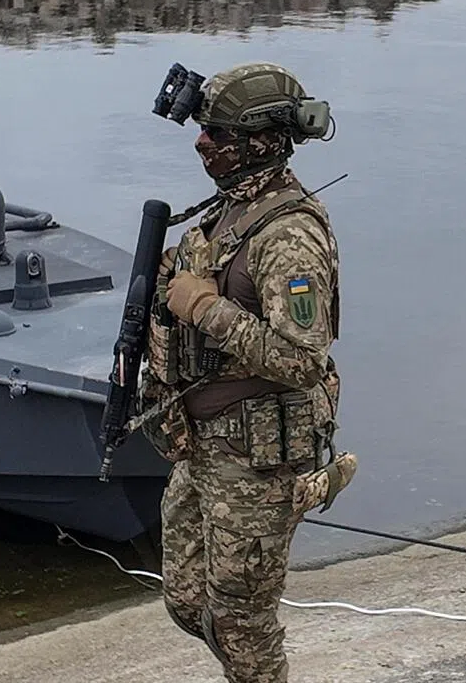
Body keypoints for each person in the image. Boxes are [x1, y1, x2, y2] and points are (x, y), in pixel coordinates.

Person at [138, 62, 356, 682]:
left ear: (260, 142)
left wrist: (205, 309)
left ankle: (303, 488)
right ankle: (310, 490)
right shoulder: (229, 209)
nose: (202, 143)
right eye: (205, 129)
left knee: (241, 620)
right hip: (203, 442)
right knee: (186, 601)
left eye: (219, 134)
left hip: (256, 451)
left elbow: (301, 358)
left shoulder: (288, 235)